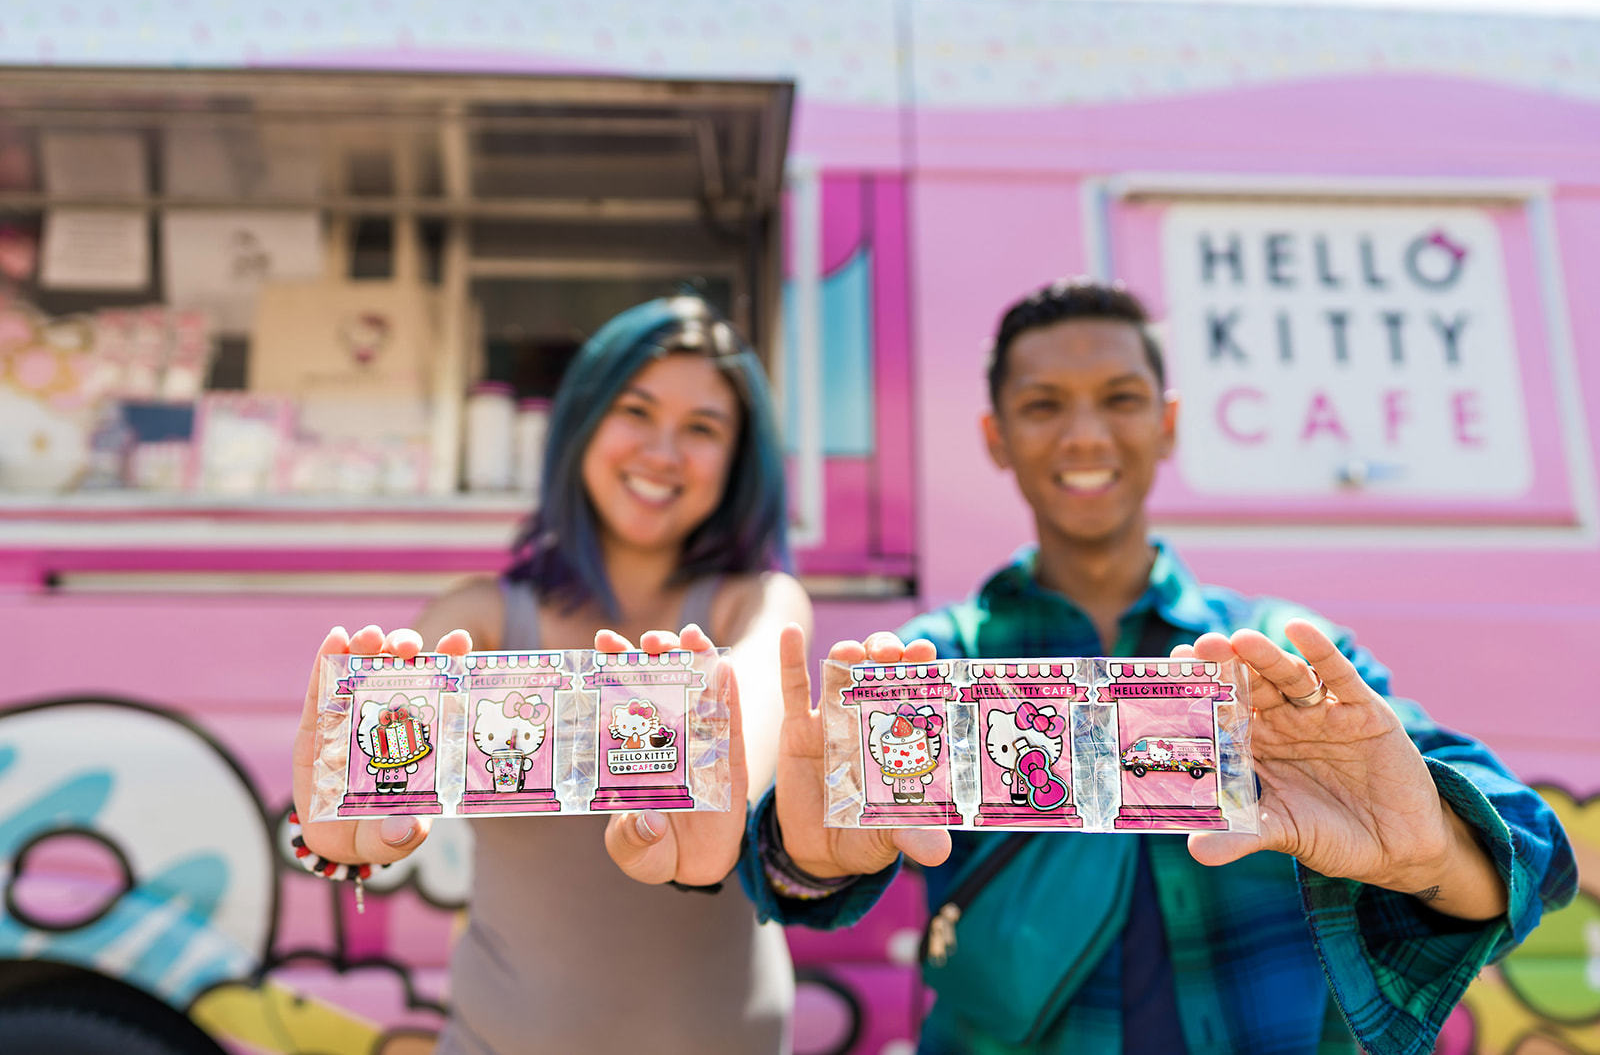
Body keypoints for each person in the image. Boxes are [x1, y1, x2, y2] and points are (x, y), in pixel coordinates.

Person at [607, 280, 1577, 1054]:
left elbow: (1531, 851)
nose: (1083, 435)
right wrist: (809, 852)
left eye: (1119, 400)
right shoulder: (934, 660)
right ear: (995, 436)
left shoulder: (1278, 653)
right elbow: (796, 859)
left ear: (1166, 422)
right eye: (1041, 405)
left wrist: (1431, 853)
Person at [291, 295, 812, 1054]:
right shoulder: (483, 616)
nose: (664, 452)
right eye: (637, 410)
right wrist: (342, 836)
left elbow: (746, 741)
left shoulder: (759, 603)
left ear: (737, 461)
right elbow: (370, 785)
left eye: (702, 428)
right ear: (583, 422)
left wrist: (717, 785)